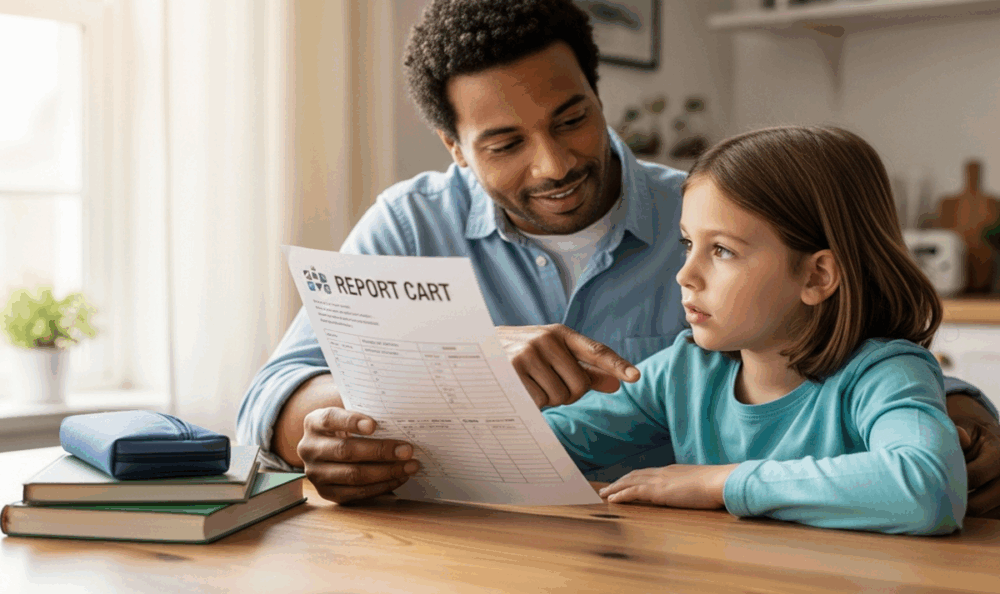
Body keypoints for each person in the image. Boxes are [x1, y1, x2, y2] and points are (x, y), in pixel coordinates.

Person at [236, 0, 1000, 514]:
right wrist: (419, 409)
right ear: (454, 148)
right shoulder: (407, 225)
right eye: (504, 143)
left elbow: (883, 371)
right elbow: (278, 389)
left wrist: (963, 424)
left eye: (572, 118)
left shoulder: (708, 203)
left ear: (599, 95)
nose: (553, 164)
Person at [545, 125, 966, 534]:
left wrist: (720, 484)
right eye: (688, 244)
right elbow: (541, 450)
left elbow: (929, 487)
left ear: (817, 276)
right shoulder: (685, 371)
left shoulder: (883, 375)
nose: (685, 275)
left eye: (722, 250)